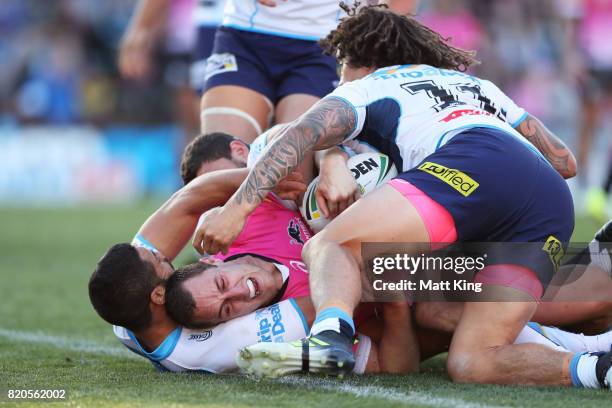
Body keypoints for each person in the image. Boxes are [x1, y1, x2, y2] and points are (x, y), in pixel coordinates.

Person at [193, 4, 612, 389]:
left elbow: (301, 134)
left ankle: (329, 339)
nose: (340, 80)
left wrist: (235, 210)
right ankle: (600, 369)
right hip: (549, 201)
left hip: (474, 163)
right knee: (473, 362)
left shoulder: (369, 85)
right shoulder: (476, 85)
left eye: (342, 68)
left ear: (360, 61)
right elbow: (565, 162)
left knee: (332, 245)